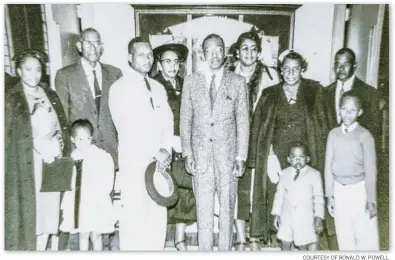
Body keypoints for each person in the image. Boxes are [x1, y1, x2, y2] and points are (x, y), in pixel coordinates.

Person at [247, 50, 328, 248]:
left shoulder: (314, 91)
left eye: (295, 69)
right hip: (278, 156)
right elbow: (259, 127)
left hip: (305, 157)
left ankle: (306, 243)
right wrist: (269, 156)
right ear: (281, 71)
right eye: (286, 69)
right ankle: (282, 246)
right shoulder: (270, 94)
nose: (291, 73)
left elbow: (323, 125)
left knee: (306, 201)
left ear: (302, 70)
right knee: (281, 202)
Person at [180, 33, 249, 251]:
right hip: (200, 159)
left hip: (227, 159)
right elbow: (185, 120)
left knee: (227, 210)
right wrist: (187, 153)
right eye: (209, 50)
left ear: (225, 52)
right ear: (202, 54)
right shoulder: (191, 81)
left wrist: (241, 156)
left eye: (219, 49)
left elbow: (243, 121)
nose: (215, 54)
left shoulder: (237, 82)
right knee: (204, 210)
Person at [55, 27, 122, 250]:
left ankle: (102, 248)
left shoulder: (115, 73)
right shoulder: (65, 75)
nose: (93, 47)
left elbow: (121, 114)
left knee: (104, 202)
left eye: (97, 43)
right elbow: (62, 118)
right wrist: (69, 153)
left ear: (102, 46)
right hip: (82, 153)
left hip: (108, 150)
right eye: (88, 43)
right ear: (79, 46)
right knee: (81, 209)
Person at [109, 37, 174, 251]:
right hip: (136, 162)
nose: (147, 59)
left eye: (150, 55)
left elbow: (167, 122)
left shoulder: (158, 87)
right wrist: (155, 152)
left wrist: (166, 149)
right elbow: (126, 127)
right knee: (135, 216)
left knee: (157, 213)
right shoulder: (119, 88)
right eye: (141, 54)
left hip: (160, 162)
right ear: (130, 58)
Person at [5, 49, 71, 250]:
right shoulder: (12, 98)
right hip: (28, 164)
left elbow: (61, 125)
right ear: (18, 70)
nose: (34, 74)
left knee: (49, 216)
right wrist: (36, 144)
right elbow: (10, 136)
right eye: (28, 69)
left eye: (38, 69)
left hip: (51, 161)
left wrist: (59, 144)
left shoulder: (49, 94)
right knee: (32, 214)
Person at [228, 31, 280, 251]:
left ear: (259, 52)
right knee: (236, 187)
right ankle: (240, 237)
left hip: (260, 139)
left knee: (257, 187)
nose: (248, 53)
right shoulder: (228, 74)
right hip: (233, 139)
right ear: (237, 52)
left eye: (253, 48)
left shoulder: (270, 76)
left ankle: (256, 237)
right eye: (244, 48)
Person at [152, 42, 196, 251]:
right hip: (162, 148)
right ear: (159, 64)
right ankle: (160, 242)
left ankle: (180, 240)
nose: (172, 66)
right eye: (167, 61)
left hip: (184, 146)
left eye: (176, 61)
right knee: (163, 192)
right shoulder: (153, 85)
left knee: (185, 194)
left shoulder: (186, 83)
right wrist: (167, 141)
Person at [325, 91, 379, 250]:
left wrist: (371, 199)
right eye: (344, 109)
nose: (347, 114)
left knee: (364, 235)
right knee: (344, 235)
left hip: (359, 190)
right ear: (338, 110)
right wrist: (329, 195)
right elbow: (328, 166)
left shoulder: (365, 135)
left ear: (360, 112)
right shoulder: (333, 134)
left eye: (352, 110)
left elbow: (371, 170)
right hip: (339, 190)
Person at [60, 119, 116, 251]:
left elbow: (108, 177)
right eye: (80, 139)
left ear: (91, 138)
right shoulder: (73, 157)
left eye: (87, 139)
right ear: (73, 139)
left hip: (95, 204)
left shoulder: (101, 156)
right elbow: (69, 183)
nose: (84, 143)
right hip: (80, 205)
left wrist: (103, 194)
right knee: (83, 235)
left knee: (96, 235)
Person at [272, 143, 324, 251]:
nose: (298, 160)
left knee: (305, 244)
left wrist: (318, 216)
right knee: (285, 244)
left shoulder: (314, 174)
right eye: (294, 157)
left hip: (306, 218)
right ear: (288, 159)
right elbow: (279, 195)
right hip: (287, 218)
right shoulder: (283, 174)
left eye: (301, 157)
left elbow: (318, 197)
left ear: (308, 158)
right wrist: (276, 214)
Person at [324, 48, 380, 141]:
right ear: (334, 67)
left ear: (354, 66)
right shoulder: (325, 92)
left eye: (346, 64)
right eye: (338, 64)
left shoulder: (369, 92)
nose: (341, 68)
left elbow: (373, 129)